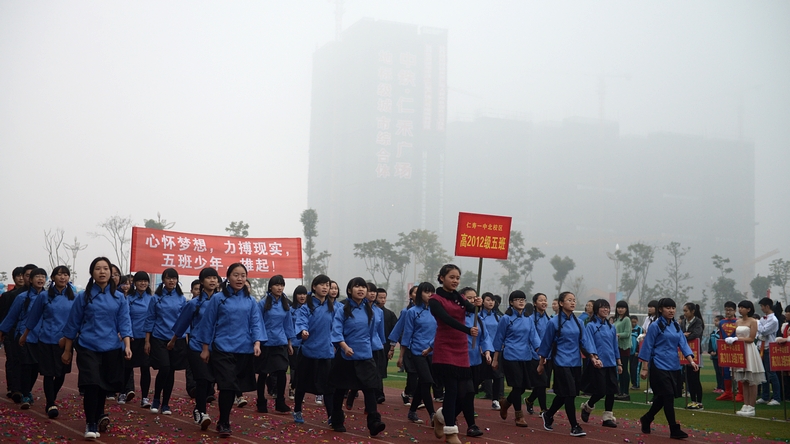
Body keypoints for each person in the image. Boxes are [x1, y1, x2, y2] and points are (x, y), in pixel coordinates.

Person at [61, 257, 132, 440]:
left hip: (111, 347)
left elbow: (124, 322)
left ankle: (99, 414)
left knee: (103, 386)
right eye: (98, 268)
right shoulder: (83, 297)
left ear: (111, 273)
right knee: (92, 384)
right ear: (92, 272)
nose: (102, 272)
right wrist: (67, 350)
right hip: (88, 346)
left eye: (106, 269)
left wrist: (127, 345)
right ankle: (90, 423)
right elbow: (73, 324)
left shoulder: (119, 297)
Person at [194, 263, 266, 437]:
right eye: (236, 275)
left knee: (233, 386)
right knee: (227, 385)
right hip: (222, 348)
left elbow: (256, 323)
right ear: (228, 277)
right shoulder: (218, 299)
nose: (239, 279)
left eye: (243, 275)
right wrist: (205, 348)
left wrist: (257, 343)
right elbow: (208, 323)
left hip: (244, 349)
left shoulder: (251, 301)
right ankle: (224, 422)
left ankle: (223, 420)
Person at [328, 277, 386, 436]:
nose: (361, 290)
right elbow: (336, 331)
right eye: (357, 287)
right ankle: (337, 420)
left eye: (363, 287)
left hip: (365, 356)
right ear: (349, 290)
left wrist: (372, 349)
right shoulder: (342, 310)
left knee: (370, 389)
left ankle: (374, 422)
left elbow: (371, 334)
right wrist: (344, 347)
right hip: (346, 356)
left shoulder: (370, 310)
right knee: (340, 389)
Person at [428, 264, 479, 444]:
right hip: (445, 347)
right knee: (451, 390)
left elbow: (472, 310)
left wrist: (477, 304)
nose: (455, 280)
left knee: (464, 393)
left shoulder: (460, 297)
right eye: (452, 277)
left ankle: (440, 417)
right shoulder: (435, 300)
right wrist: (467, 330)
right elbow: (446, 319)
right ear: (441, 278)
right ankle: (450, 431)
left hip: (461, 348)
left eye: (457, 278)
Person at [638, 298, 698, 439]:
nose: (671, 311)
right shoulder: (655, 326)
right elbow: (648, 346)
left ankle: (647, 418)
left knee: (662, 397)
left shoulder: (676, 326)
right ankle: (674, 429)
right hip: (659, 365)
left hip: (674, 365)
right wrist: (645, 368)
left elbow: (683, 343)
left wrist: (691, 361)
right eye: (668, 308)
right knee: (668, 396)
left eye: (673, 308)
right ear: (660, 309)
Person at [20, 266, 75, 418]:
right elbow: (34, 316)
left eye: (65, 274)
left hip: (65, 342)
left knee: (61, 374)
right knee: (49, 374)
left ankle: (52, 397)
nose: (63, 277)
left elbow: (77, 320)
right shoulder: (44, 296)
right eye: (59, 274)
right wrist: (25, 334)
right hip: (46, 340)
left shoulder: (74, 297)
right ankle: (51, 403)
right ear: (53, 278)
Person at [170, 267, 220, 431]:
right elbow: (182, 323)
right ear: (202, 281)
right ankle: (202, 411)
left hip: (217, 347)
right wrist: (173, 340)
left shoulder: (222, 302)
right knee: (202, 379)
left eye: (215, 278)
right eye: (208, 278)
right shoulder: (194, 304)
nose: (212, 280)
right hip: (196, 346)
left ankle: (200, 409)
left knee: (211, 381)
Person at [537, 291, 586, 437]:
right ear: (561, 303)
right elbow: (546, 343)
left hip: (575, 362)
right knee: (569, 394)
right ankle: (574, 426)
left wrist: (594, 356)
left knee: (565, 394)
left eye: (574, 300)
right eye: (569, 300)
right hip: (560, 361)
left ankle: (548, 414)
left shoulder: (579, 323)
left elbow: (585, 342)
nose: (572, 302)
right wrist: (541, 363)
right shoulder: (553, 322)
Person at [1, 266, 48, 410]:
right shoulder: (22, 297)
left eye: (43, 276)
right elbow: (11, 316)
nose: (40, 279)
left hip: (41, 337)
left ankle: (27, 390)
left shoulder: (49, 297)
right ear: (31, 280)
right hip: (24, 337)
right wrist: (2, 332)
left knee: (35, 367)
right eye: (37, 276)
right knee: (26, 366)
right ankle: (25, 393)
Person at [493, 290, 540, 428]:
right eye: (517, 299)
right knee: (517, 386)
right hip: (510, 355)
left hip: (526, 356)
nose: (521, 302)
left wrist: (541, 353)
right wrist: (495, 359)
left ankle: (506, 403)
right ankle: (519, 416)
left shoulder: (528, 318)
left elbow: (534, 337)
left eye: (523, 299)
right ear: (511, 302)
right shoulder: (506, 319)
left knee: (523, 387)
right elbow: (499, 338)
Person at [144, 268, 188, 415]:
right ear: (163, 280)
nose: (171, 281)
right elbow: (150, 318)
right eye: (168, 278)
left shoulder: (181, 298)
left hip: (176, 338)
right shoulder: (156, 298)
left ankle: (166, 403)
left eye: (174, 278)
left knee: (171, 371)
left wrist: (185, 338)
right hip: (159, 337)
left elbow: (184, 320)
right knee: (165, 367)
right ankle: (156, 398)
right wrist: (147, 341)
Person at [293, 274, 335, 424]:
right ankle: (297, 410)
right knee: (301, 385)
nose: (325, 287)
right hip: (308, 352)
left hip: (326, 352)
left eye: (327, 285)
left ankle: (331, 416)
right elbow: (301, 322)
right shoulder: (306, 307)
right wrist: (303, 331)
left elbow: (336, 327)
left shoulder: (332, 307)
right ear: (314, 287)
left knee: (328, 387)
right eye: (322, 284)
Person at [393, 281, 437, 425]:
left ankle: (412, 411)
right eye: (426, 292)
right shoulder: (412, 312)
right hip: (417, 351)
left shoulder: (436, 311)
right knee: (427, 381)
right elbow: (407, 334)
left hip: (433, 352)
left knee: (423, 383)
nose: (430, 294)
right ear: (419, 294)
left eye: (432, 292)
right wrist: (401, 356)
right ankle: (432, 414)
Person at [256, 275, 294, 414]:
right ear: (270, 287)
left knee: (282, 371)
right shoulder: (263, 303)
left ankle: (280, 401)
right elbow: (257, 323)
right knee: (263, 373)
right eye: (277, 285)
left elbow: (288, 324)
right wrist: (257, 342)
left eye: (282, 285)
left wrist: (289, 343)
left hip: (280, 342)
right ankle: (261, 401)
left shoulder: (285, 304)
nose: (280, 288)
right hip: (266, 342)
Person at [580, 299, 621, 428]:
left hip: (611, 362)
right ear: (597, 309)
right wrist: (594, 357)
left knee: (611, 391)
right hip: (598, 363)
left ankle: (608, 418)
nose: (606, 310)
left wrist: (619, 362)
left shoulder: (611, 327)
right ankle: (588, 406)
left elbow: (615, 346)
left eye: (607, 307)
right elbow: (589, 343)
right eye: (603, 307)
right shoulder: (590, 326)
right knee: (601, 390)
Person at [0, 264, 36, 404]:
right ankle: (14, 389)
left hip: (32, 335)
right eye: (20, 276)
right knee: (13, 360)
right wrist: (3, 331)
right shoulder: (11, 296)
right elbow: (5, 315)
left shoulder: (42, 296)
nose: (22, 278)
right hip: (12, 333)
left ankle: (24, 389)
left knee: (30, 364)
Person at [459, 287, 490, 437]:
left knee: (468, 394)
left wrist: (487, 351)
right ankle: (471, 425)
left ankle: (445, 416)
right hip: (459, 361)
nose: (472, 300)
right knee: (467, 392)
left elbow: (485, 338)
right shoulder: (456, 317)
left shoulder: (478, 318)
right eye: (469, 298)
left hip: (475, 361)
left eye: (474, 297)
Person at [729, 300, 766, 416]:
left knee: (751, 380)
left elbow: (751, 338)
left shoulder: (753, 321)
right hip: (740, 350)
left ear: (749, 309)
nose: (740, 309)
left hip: (749, 350)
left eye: (743, 307)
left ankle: (751, 406)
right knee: (744, 380)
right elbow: (736, 335)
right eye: (739, 307)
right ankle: (745, 404)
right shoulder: (738, 321)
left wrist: (737, 339)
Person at [122, 271, 153, 408]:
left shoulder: (152, 299)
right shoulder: (128, 299)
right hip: (132, 338)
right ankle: (123, 392)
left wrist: (149, 339)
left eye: (145, 281)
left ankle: (145, 397)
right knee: (127, 368)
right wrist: (128, 335)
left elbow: (152, 319)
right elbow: (126, 318)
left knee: (145, 368)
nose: (143, 283)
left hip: (146, 338)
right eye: (140, 281)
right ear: (134, 283)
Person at [389, 285, 419, 407]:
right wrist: (392, 347)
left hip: (423, 348)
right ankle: (409, 394)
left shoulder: (429, 311)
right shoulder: (406, 312)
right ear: (410, 295)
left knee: (422, 375)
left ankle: (412, 394)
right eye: (415, 292)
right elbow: (398, 329)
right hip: (408, 347)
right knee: (412, 373)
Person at [524, 292, 551, 415]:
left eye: (545, 300)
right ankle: (543, 409)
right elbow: (530, 338)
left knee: (543, 383)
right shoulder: (530, 319)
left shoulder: (549, 320)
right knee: (541, 382)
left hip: (548, 355)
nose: (544, 302)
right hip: (535, 355)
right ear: (535, 303)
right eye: (541, 300)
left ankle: (529, 400)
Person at [479, 292, 504, 409]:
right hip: (482, 350)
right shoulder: (478, 316)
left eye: (492, 300)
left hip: (496, 350)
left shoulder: (498, 317)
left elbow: (501, 334)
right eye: (488, 300)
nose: (491, 302)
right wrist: (481, 348)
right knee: (479, 376)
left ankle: (495, 399)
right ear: (482, 301)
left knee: (497, 376)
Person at [756, 297, 781, 406]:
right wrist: (759, 329)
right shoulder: (763, 319)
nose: (761, 308)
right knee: (763, 373)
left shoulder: (773, 320)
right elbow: (758, 334)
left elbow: (763, 331)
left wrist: (757, 324)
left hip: (769, 348)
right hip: (761, 348)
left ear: (767, 306)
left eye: (762, 306)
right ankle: (765, 396)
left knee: (771, 374)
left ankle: (776, 397)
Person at [679, 302, 704, 410]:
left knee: (695, 378)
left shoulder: (698, 321)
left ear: (692, 311)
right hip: (685, 352)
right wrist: (684, 335)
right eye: (684, 311)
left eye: (686, 311)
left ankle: (699, 402)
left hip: (695, 352)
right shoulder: (684, 321)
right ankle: (693, 400)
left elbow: (696, 334)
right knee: (689, 378)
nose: (684, 313)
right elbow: (679, 333)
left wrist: (684, 336)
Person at [288, 285, 308, 400]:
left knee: (302, 369)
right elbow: (289, 326)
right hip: (294, 343)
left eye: (304, 294)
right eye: (300, 294)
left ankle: (298, 389)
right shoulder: (291, 310)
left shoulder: (309, 309)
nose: (302, 296)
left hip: (305, 343)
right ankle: (292, 387)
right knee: (294, 367)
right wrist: (289, 342)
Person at [716, 301, 739, 401]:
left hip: (736, 349)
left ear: (735, 311)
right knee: (725, 371)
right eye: (726, 310)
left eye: (730, 310)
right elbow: (721, 337)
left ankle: (740, 393)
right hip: (725, 350)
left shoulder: (738, 322)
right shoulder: (721, 322)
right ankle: (727, 392)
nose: (728, 312)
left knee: (738, 371)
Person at [613, 300, 632, 400]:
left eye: (622, 308)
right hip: (617, 347)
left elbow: (627, 333)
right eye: (619, 307)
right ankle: (620, 391)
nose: (620, 309)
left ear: (626, 309)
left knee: (624, 369)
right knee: (619, 370)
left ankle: (625, 392)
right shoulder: (616, 320)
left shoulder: (626, 319)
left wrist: (617, 335)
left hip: (624, 347)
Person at [709, 315, 724, 393]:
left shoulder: (723, 332)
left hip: (721, 355)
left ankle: (723, 387)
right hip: (714, 356)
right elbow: (710, 342)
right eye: (715, 320)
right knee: (717, 372)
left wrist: (717, 352)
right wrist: (711, 351)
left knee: (722, 372)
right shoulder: (714, 332)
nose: (715, 322)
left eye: (716, 321)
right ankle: (719, 386)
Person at [629, 315, 643, 389]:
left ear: (637, 321)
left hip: (637, 353)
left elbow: (640, 341)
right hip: (629, 352)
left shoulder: (639, 329)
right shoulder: (628, 328)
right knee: (631, 368)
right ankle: (633, 383)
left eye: (635, 322)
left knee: (636, 368)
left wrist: (638, 351)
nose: (633, 323)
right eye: (632, 322)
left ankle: (637, 384)